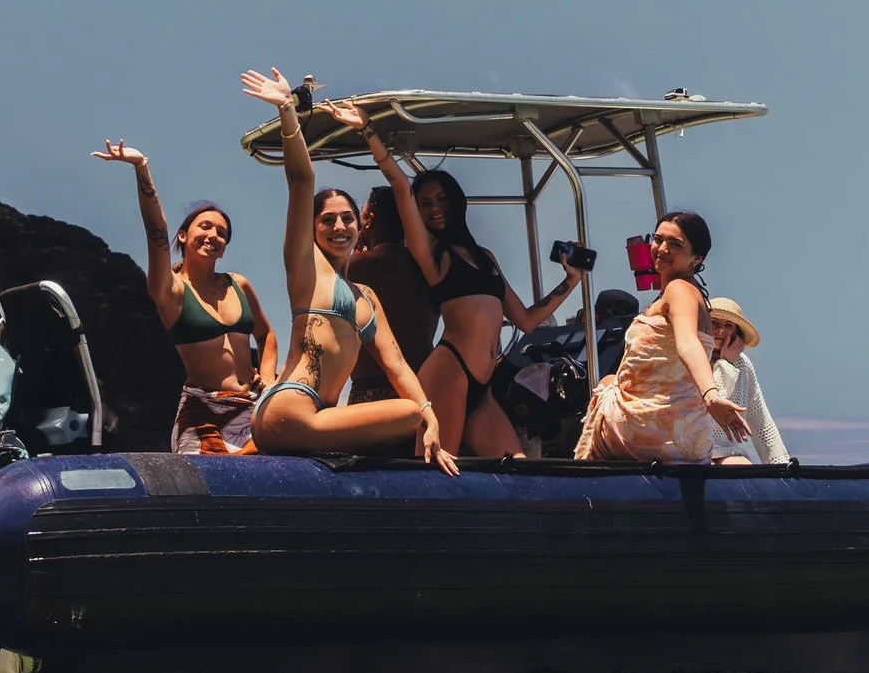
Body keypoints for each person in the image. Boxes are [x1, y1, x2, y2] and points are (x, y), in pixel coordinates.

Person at [238, 71, 455, 468]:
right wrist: (288, 109)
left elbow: (396, 363)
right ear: (313, 229)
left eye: (347, 219)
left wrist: (432, 415)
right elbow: (302, 179)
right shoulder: (307, 267)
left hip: (318, 417)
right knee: (407, 415)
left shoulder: (365, 297)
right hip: (292, 406)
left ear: (361, 224)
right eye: (328, 220)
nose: (339, 228)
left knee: (415, 408)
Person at [94, 141, 272, 455]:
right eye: (205, 226)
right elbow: (155, 231)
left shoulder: (238, 285)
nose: (214, 236)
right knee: (210, 494)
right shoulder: (171, 291)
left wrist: (270, 381)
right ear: (183, 235)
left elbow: (267, 335)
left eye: (222, 233)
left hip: (253, 408)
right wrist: (141, 168)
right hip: (203, 415)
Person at [574, 210, 786, 468]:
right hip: (689, 441)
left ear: (696, 258)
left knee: (606, 384)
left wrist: (711, 396)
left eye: (675, 244)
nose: (662, 249)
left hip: (652, 433)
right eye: (658, 239)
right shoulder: (684, 293)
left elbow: (687, 343)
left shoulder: (680, 290)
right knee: (610, 381)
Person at [405, 168, 587, 462]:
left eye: (441, 199)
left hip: (482, 387)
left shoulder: (484, 257)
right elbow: (402, 189)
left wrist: (571, 280)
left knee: (520, 470)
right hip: (449, 371)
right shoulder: (431, 254)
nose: (435, 208)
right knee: (436, 473)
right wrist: (371, 136)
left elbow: (526, 321)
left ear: (455, 201)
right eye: (425, 203)